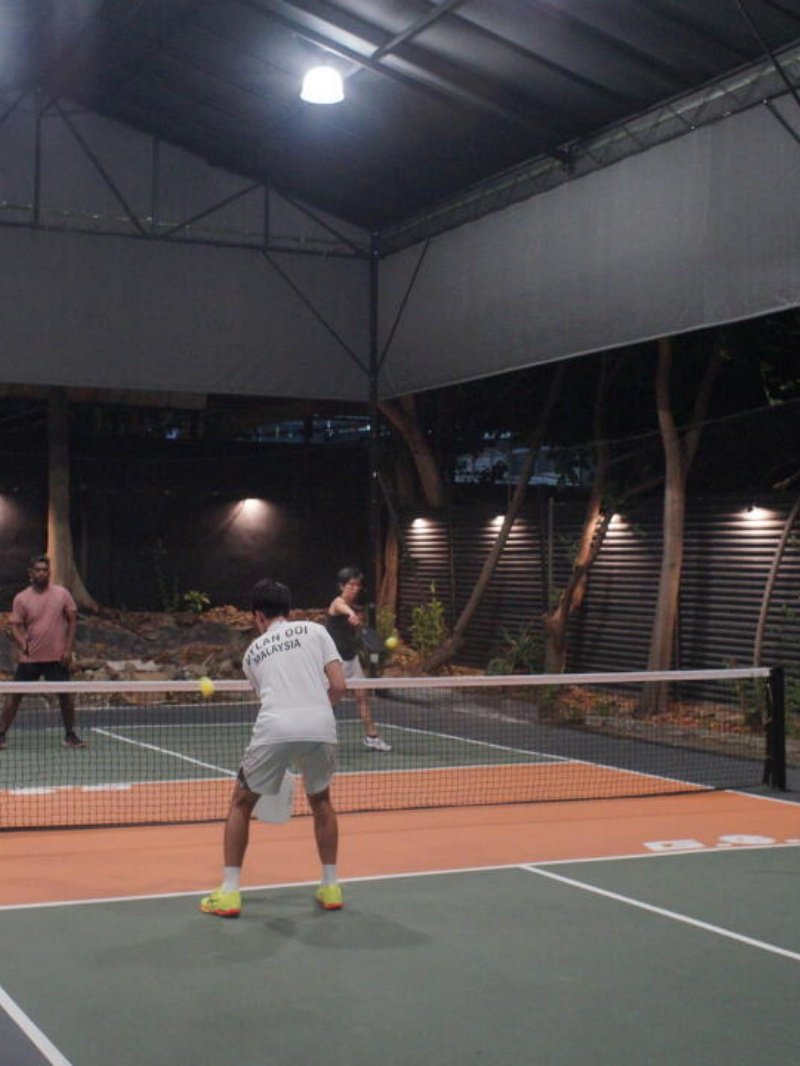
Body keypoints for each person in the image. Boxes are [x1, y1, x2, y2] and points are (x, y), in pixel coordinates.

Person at [201, 578, 347, 918]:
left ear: (257, 616)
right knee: (321, 801)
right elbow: (339, 685)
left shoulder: (252, 654)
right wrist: (317, 711)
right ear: (291, 611)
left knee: (240, 803)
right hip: (321, 725)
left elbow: (268, 697)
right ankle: (330, 886)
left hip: (276, 727)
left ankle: (230, 893)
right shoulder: (316, 631)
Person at [0, 554, 83, 751]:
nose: (42, 573)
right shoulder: (22, 598)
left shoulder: (62, 594)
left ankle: (70, 735)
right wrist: (23, 645)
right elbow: (14, 626)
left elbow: (72, 620)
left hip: (57, 658)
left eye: (45, 570)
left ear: (49, 572)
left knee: (66, 697)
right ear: (31, 573)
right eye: (38, 570)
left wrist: (68, 649)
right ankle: (1, 733)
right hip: (30, 659)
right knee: (14, 697)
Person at [326, 566, 392, 752]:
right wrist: (351, 614)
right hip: (335, 662)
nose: (355, 588)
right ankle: (317, 739)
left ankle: (371, 736)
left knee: (363, 696)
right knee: (329, 702)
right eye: (351, 585)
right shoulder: (338, 603)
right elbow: (342, 608)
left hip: (351, 659)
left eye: (358, 585)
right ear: (341, 586)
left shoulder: (356, 607)